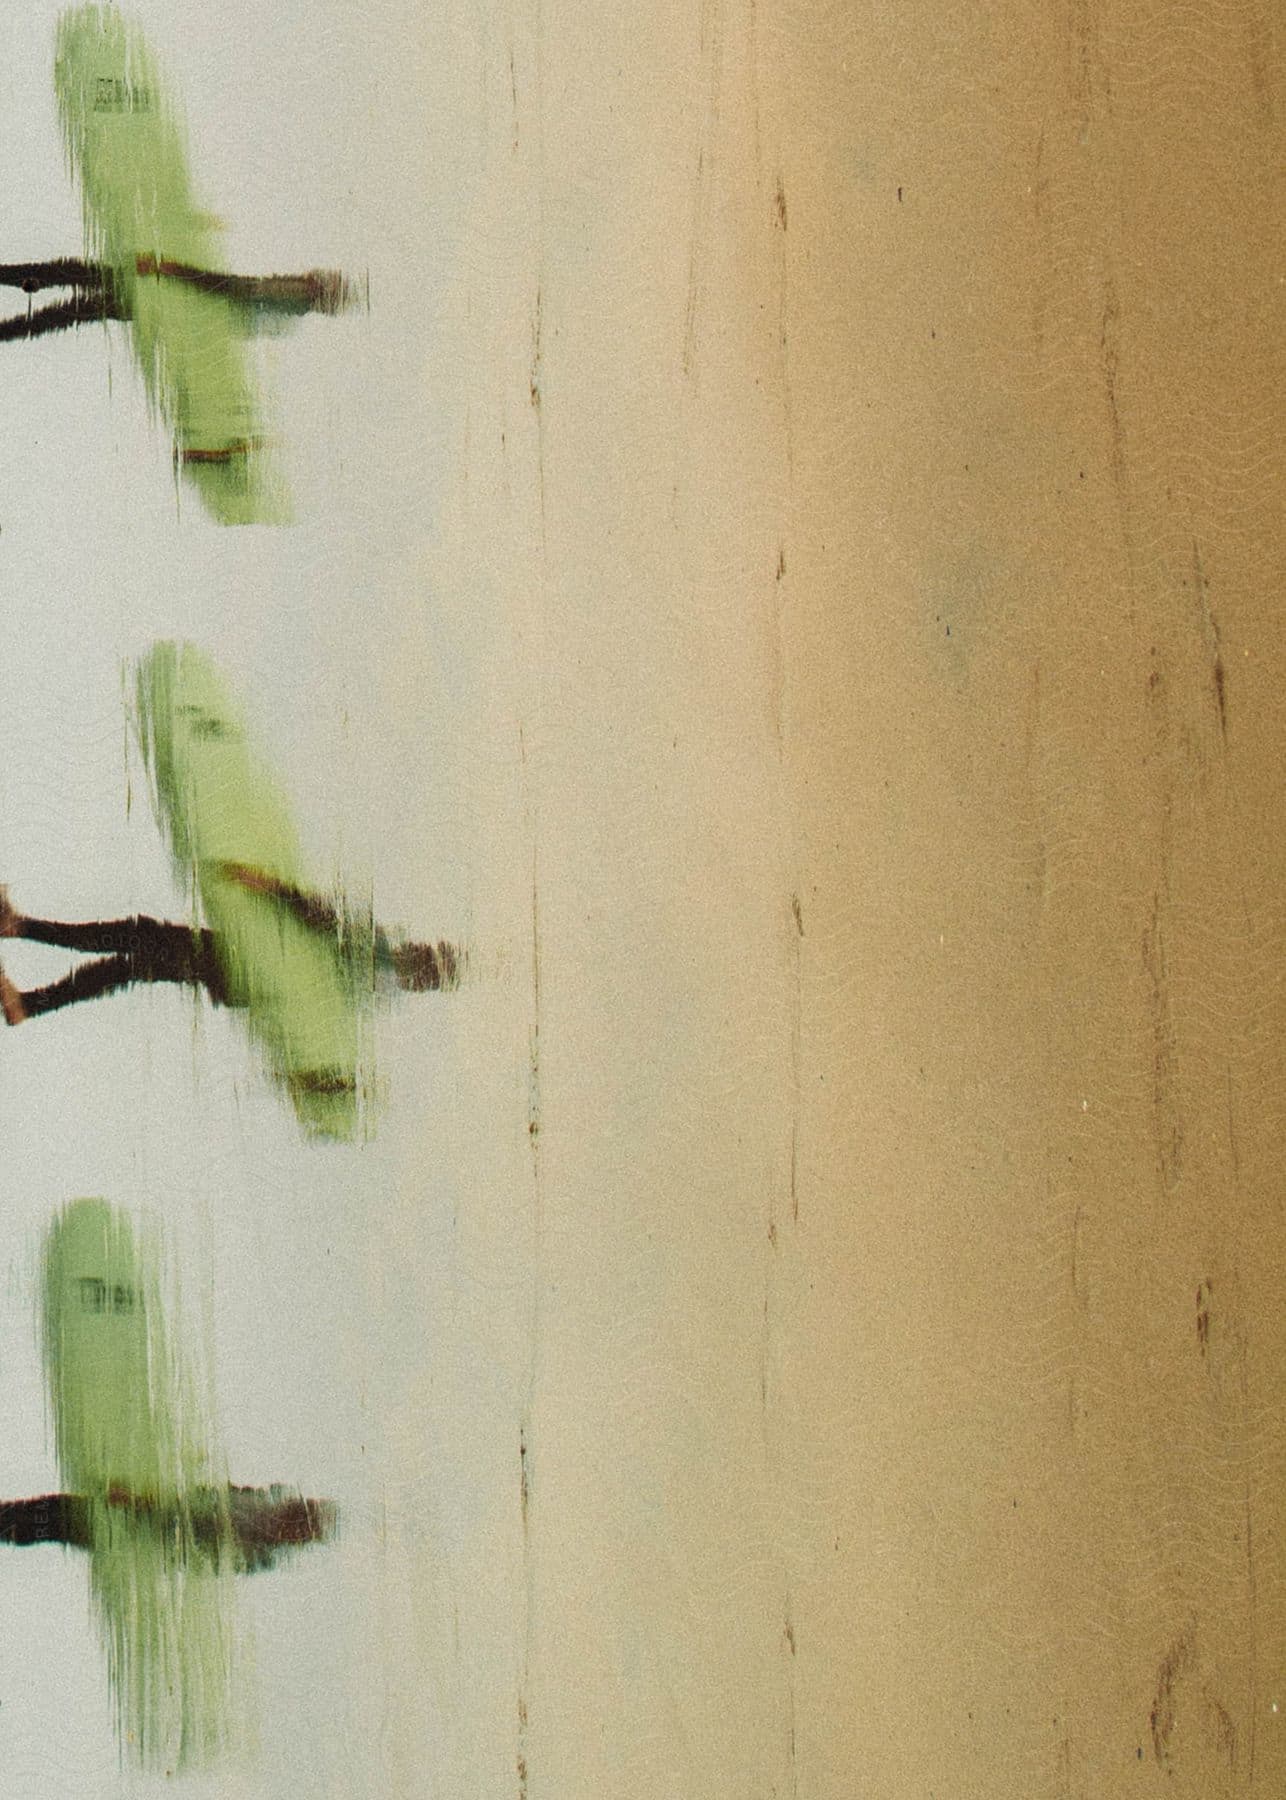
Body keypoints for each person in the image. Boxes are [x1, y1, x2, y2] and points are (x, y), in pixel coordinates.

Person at [0, 870, 461, 1028]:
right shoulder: (376, 996)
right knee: (130, 963)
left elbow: (318, 916)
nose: (419, 946)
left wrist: (267, 885)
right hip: (245, 979)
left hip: (241, 962)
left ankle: (20, 937)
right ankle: (26, 982)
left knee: (132, 940)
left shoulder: (376, 956)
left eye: (426, 950)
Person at [0, 254, 358, 342]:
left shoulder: (261, 299)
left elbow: (217, 286)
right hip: (154, 303)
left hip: (152, 292)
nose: (305, 276)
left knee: (69, 283)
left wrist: (164, 268)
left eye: (312, 282)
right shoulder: (274, 321)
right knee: (66, 307)